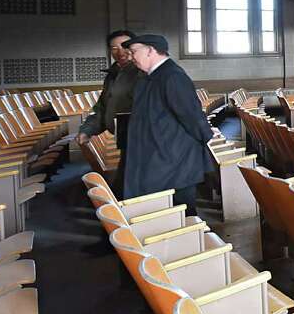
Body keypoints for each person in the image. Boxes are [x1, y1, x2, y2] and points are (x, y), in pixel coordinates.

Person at [122, 34, 215, 215]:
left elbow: (192, 117)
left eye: (134, 52)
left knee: (181, 212)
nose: (131, 57)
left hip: (174, 159)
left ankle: (188, 241)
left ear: (150, 51)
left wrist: (204, 140)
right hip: (159, 157)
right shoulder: (149, 77)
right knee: (162, 211)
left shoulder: (172, 76)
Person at [77, 29, 141, 194]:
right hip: (125, 137)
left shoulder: (143, 72)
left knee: (133, 186)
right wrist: (87, 130)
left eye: (125, 46)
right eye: (114, 48)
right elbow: (103, 108)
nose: (120, 51)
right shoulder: (113, 75)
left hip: (141, 138)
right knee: (125, 185)